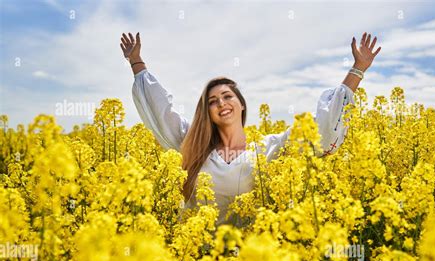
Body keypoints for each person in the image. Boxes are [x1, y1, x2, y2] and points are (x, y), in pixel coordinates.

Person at [121, 32, 381, 225]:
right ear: (207, 112)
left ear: (241, 105)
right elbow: (162, 112)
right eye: (212, 101)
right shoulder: (192, 145)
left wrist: (357, 70)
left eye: (227, 97)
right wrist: (136, 62)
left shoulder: (266, 151)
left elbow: (317, 130)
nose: (221, 103)